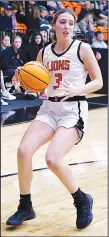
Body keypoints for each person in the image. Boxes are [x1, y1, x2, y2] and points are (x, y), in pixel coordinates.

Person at [6, 8, 103, 229]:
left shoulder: (83, 48)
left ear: (74, 26)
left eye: (71, 22)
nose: (67, 26)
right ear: (54, 25)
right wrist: (21, 81)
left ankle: (82, 199)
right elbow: (37, 83)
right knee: (23, 151)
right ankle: (25, 206)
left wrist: (79, 87)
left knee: (52, 159)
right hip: (49, 109)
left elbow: (99, 81)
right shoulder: (44, 52)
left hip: (73, 111)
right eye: (62, 22)